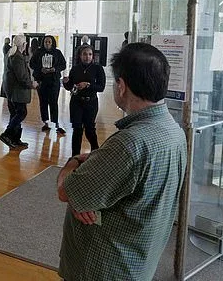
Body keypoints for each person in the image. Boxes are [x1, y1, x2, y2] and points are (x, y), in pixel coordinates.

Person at [56, 42, 187, 281]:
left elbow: (67, 191)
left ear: (121, 86)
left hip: (105, 267)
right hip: (139, 261)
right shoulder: (175, 132)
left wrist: (73, 162)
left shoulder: (129, 144)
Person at [62, 44, 106, 156]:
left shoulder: (98, 68)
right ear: (80, 56)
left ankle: (95, 152)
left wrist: (88, 85)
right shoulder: (75, 68)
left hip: (91, 102)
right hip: (76, 101)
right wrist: (66, 83)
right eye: (85, 54)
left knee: (89, 129)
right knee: (77, 129)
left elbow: (101, 87)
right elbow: (70, 87)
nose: (87, 57)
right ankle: (74, 156)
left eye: (90, 54)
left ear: (93, 56)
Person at [0, 34, 38, 150]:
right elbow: (21, 77)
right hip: (17, 91)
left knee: (15, 113)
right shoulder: (17, 57)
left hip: (10, 90)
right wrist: (32, 84)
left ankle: (15, 139)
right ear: (24, 44)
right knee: (21, 113)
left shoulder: (10, 54)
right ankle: (7, 134)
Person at [30, 35, 67, 135]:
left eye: (49, 42)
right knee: (43, 102)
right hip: (41, 81)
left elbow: (63, 64)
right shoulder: (38, 52)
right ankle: (45, 122)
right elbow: (31, 64)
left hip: (54, 81)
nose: (47, 43)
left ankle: (56, 123)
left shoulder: (57, 53)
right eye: (46, 41)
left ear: (52, 43)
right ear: (43, 42)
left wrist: (55, 69)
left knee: (53, 102)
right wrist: (40, 69)